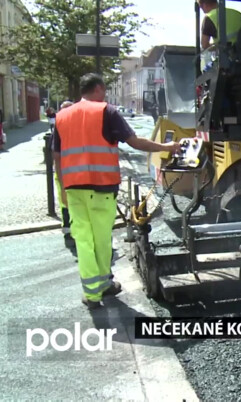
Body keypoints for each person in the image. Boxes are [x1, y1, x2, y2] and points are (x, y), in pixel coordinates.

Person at [53, 73, 181, 310]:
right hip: (101, 187)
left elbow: (57, 156)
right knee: (101, 240)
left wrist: (62, 189)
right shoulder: (107, 112)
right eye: (104, 90)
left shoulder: (62, 116)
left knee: (83, 240)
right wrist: (166, 147)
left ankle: (92, 292)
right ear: (98, 88)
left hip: (73, 189)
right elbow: (135, 142)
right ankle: (102, 286)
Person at [53, 101, 75, 250]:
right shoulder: (60, 128)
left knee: (71, 205)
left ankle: (71, 232)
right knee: (66, 205)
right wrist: (61, 183)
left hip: (72, 174)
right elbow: (56, 156)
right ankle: (68, 232)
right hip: (65, 174)